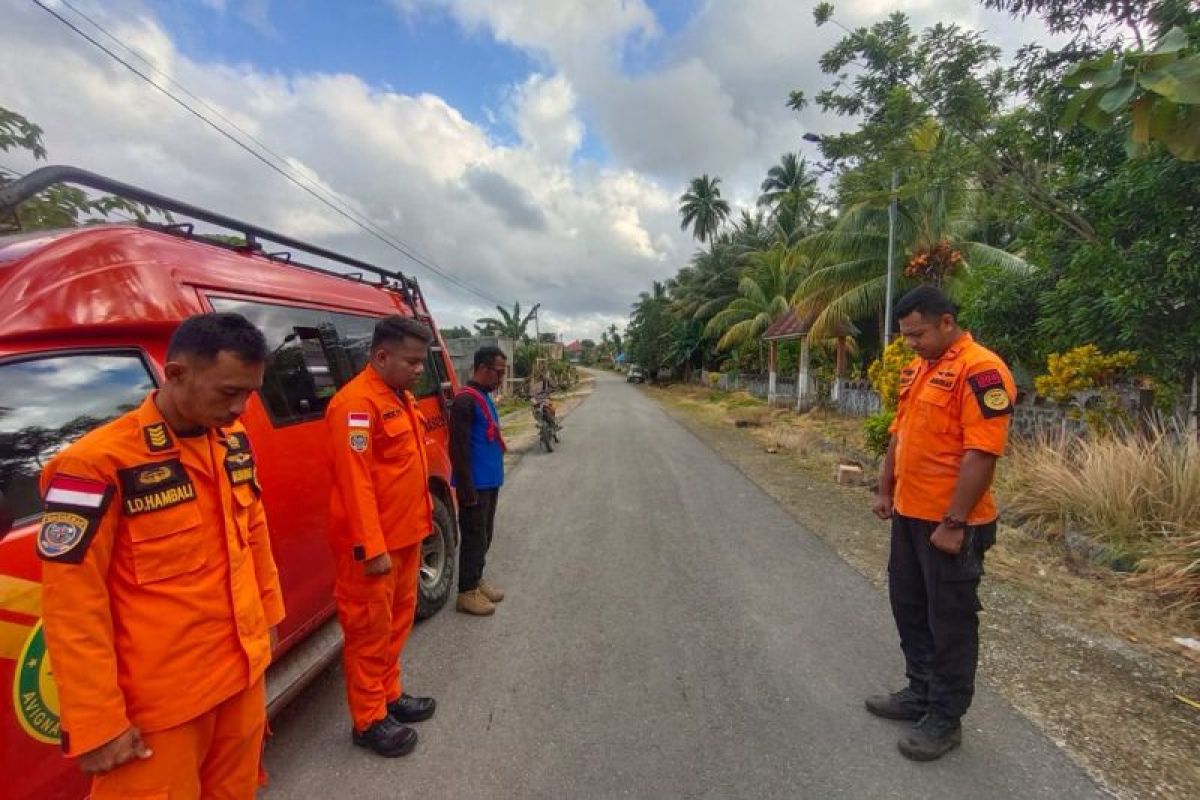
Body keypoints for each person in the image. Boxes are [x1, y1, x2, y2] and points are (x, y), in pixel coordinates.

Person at [37, 312, 285, 799]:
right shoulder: (94, 465)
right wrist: (96, 724)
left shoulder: (232, 443)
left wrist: (269, 620)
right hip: (160, 710)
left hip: (239, 679)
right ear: (176, 374)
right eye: (228, 392)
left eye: (250, 393)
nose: (240, 407)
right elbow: (72, 606)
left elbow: (254, 535)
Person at [868, 285, 1017, 762]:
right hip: (910, 515)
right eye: (906, 336)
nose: (911, 343)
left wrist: (954, 521)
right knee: (908, 606)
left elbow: (982, 453)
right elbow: (900, 434)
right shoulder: (920, 369)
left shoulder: (982, 370)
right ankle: (919, 692)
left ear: (947, 322)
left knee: (949, 620)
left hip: (952, 524)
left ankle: (945, 718)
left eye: (918, 333)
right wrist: (886, 488)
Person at [325, 315, 438, 757]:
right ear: (381, 355)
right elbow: (356, 483)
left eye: (420, 362)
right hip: (375, 550)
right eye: (411, 361)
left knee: (397, 623)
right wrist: (372, 548)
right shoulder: (355, 406)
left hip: (407, 538)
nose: (418, 370)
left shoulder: (400, 398)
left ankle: (389, 695)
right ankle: (369, 719)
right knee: (369, 632)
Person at [450, 346, 508, 616]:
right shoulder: (464, 401)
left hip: (489, 483)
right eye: (499, 372)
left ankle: (476, 580)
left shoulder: (483, 396)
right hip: (474, 486)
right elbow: (458, 451)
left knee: (484, 536)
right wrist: (466, 491)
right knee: (473, 538)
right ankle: (466, 593)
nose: (502, 378)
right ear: (483, 369)